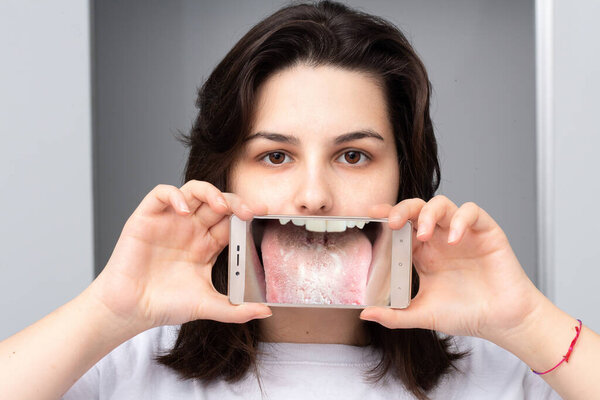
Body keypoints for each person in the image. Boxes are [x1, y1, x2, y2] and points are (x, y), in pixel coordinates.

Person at [1, 1, 598, 399]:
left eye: (354, 155)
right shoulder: (121, 367)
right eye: (275, 156)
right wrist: (107, 312)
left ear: (403, 182)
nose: (313, 196)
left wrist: (528, 324)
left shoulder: (502, 372)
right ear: (224, 179)